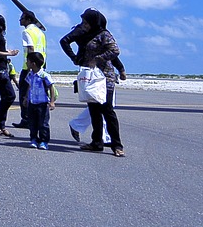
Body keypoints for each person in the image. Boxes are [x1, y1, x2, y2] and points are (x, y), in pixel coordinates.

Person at [68, 9, 126, 157]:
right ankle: (97, 143)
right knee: (94, 111)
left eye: (86, 22)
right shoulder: (85, 36)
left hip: (104, 78)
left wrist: (97, 59)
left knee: (107, 111)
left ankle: (117, 145)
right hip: (91, 78)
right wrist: (76, 58)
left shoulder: (104, 35)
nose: (84, 25)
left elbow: (115, 51)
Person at [13, 11, 46, 130]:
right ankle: (36, 119)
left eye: (22, 18)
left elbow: (31, 47)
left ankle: (26, 119)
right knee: (37, 94)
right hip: (40, 66)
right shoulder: (40, 32)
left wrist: (30, 65)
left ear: (28, 20)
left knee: (24, 93)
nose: (20, 20)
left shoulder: (27, 32)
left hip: (29, 67)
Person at [24, 52, 56, 149]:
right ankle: (33, 139)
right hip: (32, 102)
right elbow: (29, 87)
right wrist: (26, 98)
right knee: (32, 122)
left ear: (33, 63)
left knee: (43, 124)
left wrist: (52, 101)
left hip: (42, 103)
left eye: (28, 61)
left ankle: (44, 141)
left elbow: (51, 87)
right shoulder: (30, 75)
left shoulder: (44, 75)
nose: (26, 63)